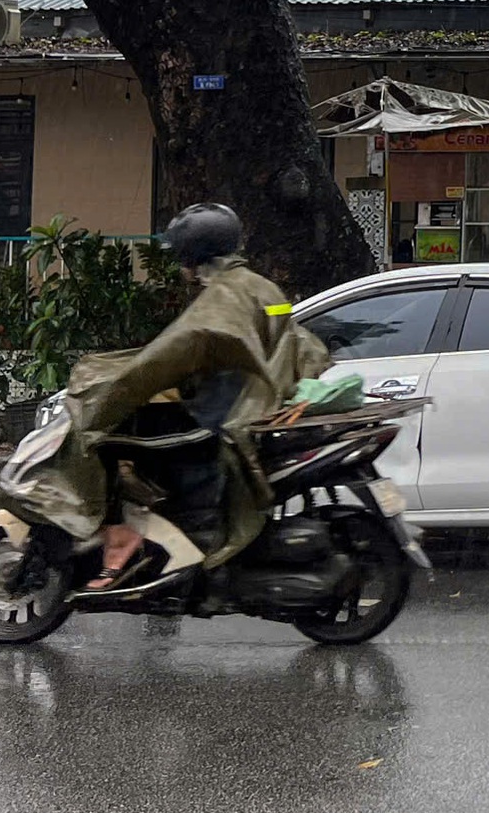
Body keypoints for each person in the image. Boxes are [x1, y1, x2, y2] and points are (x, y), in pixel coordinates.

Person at [73, 203, 331, 590]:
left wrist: (114, 390)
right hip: (252, 403)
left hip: (221, 420)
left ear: (193, 254)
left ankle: (122, 538)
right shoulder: (259, 285)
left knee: (103, 440)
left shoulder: (222, 297)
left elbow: (168, 356)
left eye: (180, 256)